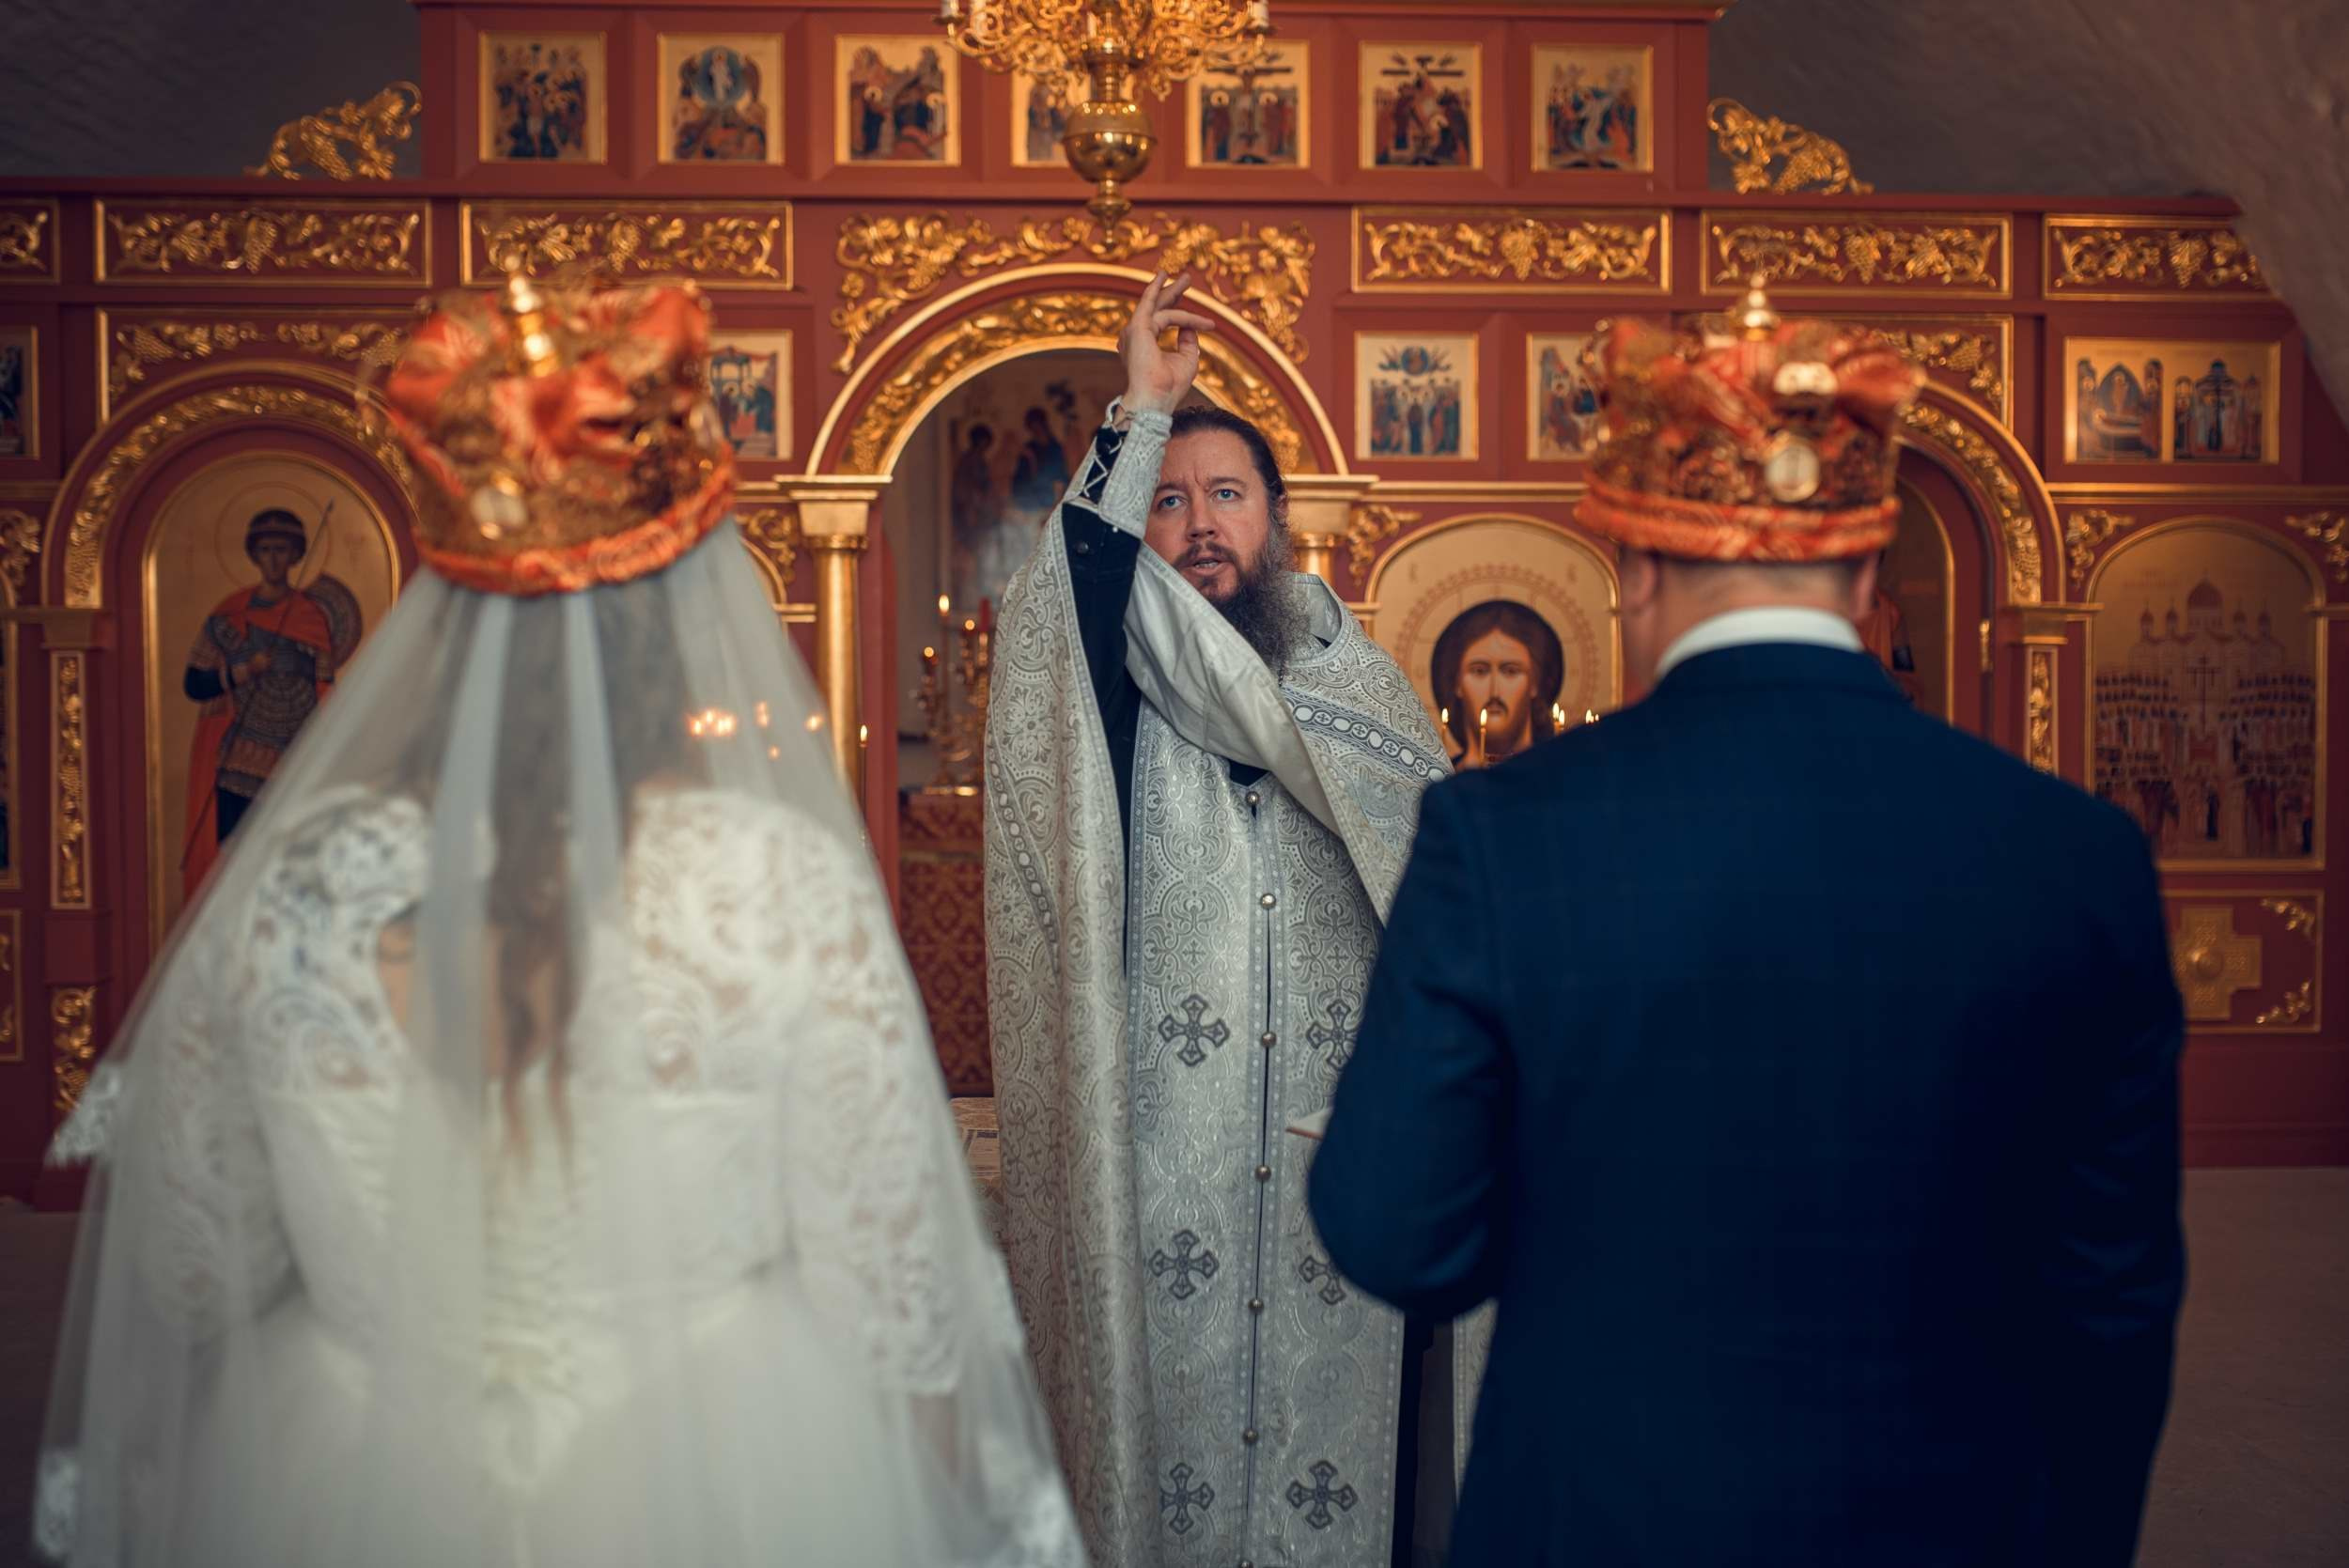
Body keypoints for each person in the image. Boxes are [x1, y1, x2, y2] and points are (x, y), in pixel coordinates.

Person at [36, 274, 1082, 1568]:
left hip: (348, 1475)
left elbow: (192, 1263)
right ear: (683, 623)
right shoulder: (769, 885)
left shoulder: (303, 884)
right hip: (725, 1474)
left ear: (439, 615)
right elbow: (893, 1297)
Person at [1309, 284, 2186, 1568]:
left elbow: (1395, 1228)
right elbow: (2114, 1297)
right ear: (1869, 572)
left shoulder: (1503, 836)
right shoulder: (2077, 853)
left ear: (1635, 569)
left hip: (1596, 1517)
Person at [985, 273, 1485, 1568]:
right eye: (1168, 499)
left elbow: (1446, 921)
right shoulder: (1115, 704)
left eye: (1227, 496)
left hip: (1343, 1154)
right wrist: (1140, 411)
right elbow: (1063, 610)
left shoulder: (1367, 695)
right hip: (1164, 1158)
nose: (1201, 525)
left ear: (1276, 519)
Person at [179, 506, 360, 898]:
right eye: (266, 550)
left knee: (292, 856)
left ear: (295, 555)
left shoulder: (310, 616)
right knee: (238, 857)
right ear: (254, 555)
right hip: (241, 757)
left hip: (295, 754)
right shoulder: (230, 616)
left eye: (282, 550)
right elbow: (194, 683)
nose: (274, 559)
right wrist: (243, 671)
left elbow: (325, 686)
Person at [1431, 599, 1563, 768]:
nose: (1494, 692)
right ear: (1457, 683)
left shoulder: (1559, 778)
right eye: (1479, 671)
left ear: (1535, 683)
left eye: (1510, 671)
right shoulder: (1442, 780)